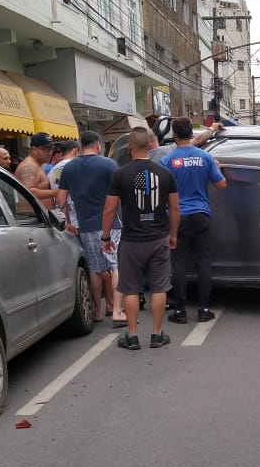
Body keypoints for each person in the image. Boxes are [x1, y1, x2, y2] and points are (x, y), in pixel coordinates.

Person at [102, 126, 179, 350]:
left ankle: (133, 336)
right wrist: (172, 234)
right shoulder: (165, 173)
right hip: (158, 238)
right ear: (150, 145)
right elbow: (174, 208)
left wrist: (105, 237)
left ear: (129, 147)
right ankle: (156, 334)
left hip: (131, 240)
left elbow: (109, 209)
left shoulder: (120, 174)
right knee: (159, 287)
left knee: (131, 288)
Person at [163, 117, 226, 323]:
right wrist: (220, 167)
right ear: (191, 133)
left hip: (177, 217)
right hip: (201, 215)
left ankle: (180, 311)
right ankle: (204, 308)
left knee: (178, 263)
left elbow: (162, 191)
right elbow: (221, 185)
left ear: (174, 134)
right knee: (203, 262)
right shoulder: (205, 157)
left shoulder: (167, 161)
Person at [55, 132, 118, 325]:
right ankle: (116, 309)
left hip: (85, 226)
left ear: (81, 146)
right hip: (110, 224)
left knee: (94, 268)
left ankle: (97, 312)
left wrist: (68, 222)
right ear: (98, 145)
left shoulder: (69, 168)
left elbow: (61, 199)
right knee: (115, 266)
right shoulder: (108, 164)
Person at [15, 133, 61, 210]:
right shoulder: (29, 166)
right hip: (33, 218)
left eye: (51, 149)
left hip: (39, 218)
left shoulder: (35, 165)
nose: (50, 153)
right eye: (45, 149)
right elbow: (28, 192)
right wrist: (56, 192)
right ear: (34, 149)